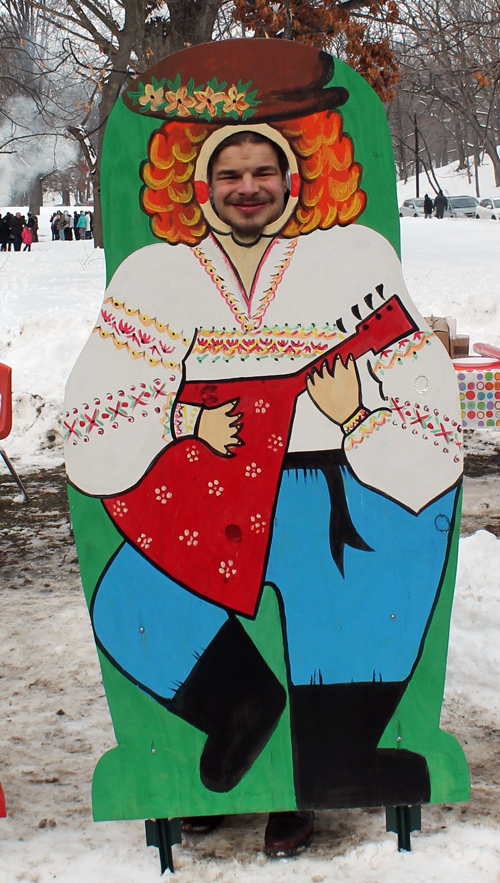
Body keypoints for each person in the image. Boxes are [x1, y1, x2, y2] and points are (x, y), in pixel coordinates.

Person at [65, 43, 463, 858]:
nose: (248, 187)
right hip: (210, 488)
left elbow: (424, 402)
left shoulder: (354, 263)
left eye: (263, 170)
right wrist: (184, 421)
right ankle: (236, 722)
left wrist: (358, 423)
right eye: (229, 174)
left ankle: (317, 775)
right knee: (133, 608)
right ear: (200, 189)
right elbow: (99, 414)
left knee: (359, 586)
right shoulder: (156, 279)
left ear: (294, 179)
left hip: (335, 492)